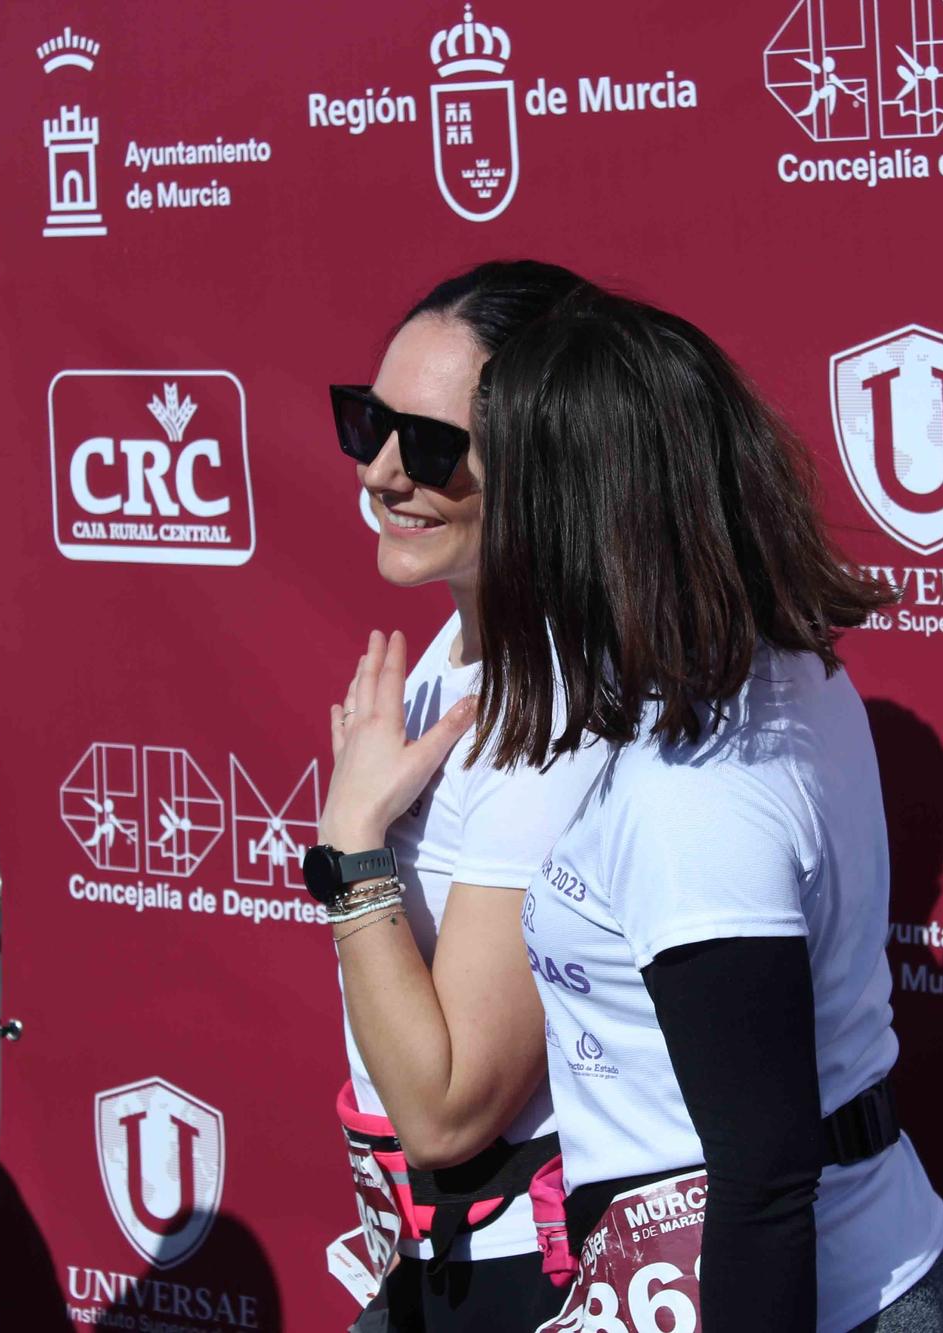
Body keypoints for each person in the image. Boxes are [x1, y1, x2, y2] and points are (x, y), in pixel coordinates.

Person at [469, 287, 943, 1331]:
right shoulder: (779, 670)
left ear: (566, 509)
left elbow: (762, 1175)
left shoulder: (692, 791)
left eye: (498, 478)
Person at [310, 261, 608, 1330]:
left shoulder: (565, 707)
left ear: (546, 457)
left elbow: (445, 1109)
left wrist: (349, 848)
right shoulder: (446, 653)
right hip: (428, 1255)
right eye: (368, 423)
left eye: (432, 446)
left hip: (528, 1273)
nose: (383, 472)